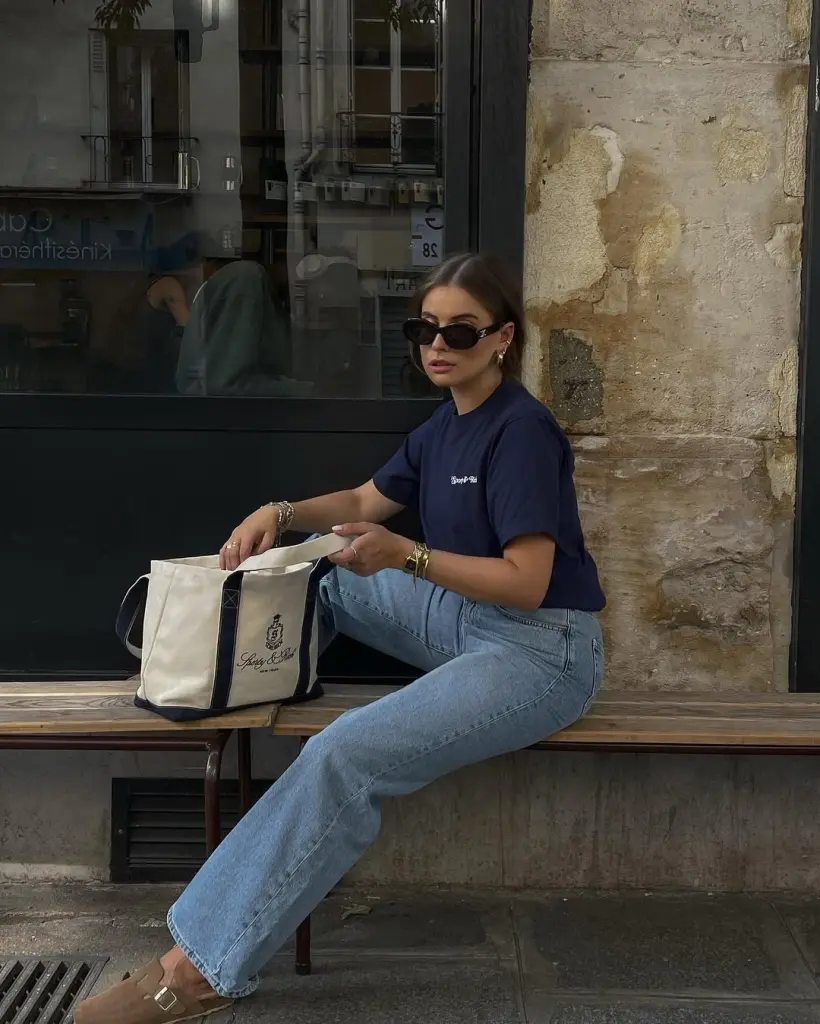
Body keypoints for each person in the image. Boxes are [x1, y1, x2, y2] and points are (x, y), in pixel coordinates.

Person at [76, 251, 606, 1023]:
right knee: (322, 568)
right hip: (464, 619)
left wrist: (408, 556)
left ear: (502, 338)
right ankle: (245, 671)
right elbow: (363, 500)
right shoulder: (446, 423)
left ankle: (197, 972)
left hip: (540, 652)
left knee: (343, 754)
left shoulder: (520, 432)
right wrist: (282, 513)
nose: (438, 345)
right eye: (424, 328)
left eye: (460, 331)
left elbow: (527, 581)